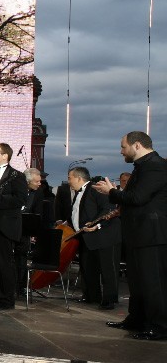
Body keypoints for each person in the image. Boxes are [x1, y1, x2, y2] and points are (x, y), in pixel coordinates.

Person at [94, 131, 167, 340]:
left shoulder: (155, 165)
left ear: (137, 145)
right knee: (138, 281)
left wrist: (111, 192)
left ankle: (159, 327)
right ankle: (137, 320)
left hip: (152, 235)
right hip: (139, 233)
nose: (121, 151)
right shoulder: (144, 166)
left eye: (123, 147)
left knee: (153, 283)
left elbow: (137, 197)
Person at [66, 166, 120, 310]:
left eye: (69, 178)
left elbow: (108, 209)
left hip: (103, 236)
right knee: (87, 268)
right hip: (85, 237)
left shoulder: (96, 189)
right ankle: (91, 296)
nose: (68, 181)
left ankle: (109, 299)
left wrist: (96, 224)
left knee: (107, 269)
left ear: (79, 178)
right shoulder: (77, 193)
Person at [0, 143, 28, 309]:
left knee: (3, 263)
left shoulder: (17, 175)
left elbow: (21, 199)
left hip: (4, 225)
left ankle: (7, 299)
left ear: (5, 156)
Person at [15, 167, 47, 293]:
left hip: (26, 231)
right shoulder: (16, 188)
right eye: (37, 181)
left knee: (22, 257)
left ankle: (21, 286)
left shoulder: (38, 192)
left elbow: (38, 213)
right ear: (27, 181)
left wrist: (35, 232)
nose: (40, 184)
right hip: (11, 228)